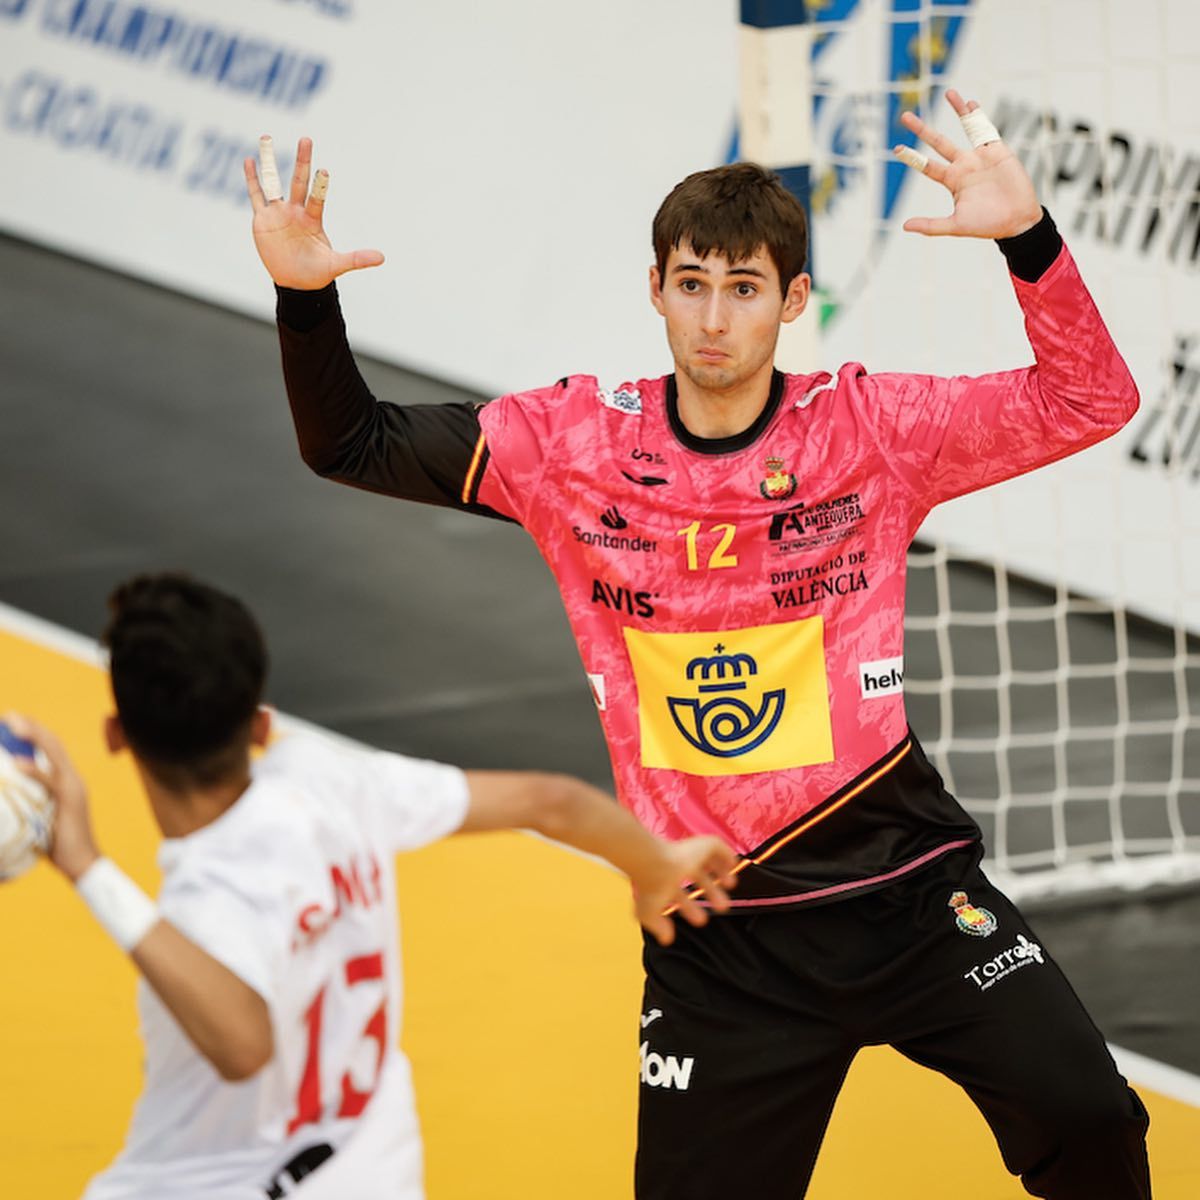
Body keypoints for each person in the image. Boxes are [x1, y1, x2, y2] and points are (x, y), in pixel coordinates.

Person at [246, 89, 1152, 1198]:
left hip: (907, 890)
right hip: (719, 933)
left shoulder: (871, 432)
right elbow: (351, 442)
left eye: (743, 290)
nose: (715, 319)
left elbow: (1093, 398)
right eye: (692, 286)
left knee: (1091, 1115)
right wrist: (303, 302)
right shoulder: (571, 444)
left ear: (793, 301)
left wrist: (1030, 237)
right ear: (657, 292)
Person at [8, 572, 736, 1200]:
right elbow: (553, 801)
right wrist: (655, 868)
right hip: (368, 1174)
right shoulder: (329, 780)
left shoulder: (208, 898)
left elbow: (241, 1043)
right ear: (261, 724)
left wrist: (86, 867)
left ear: (115, 735)